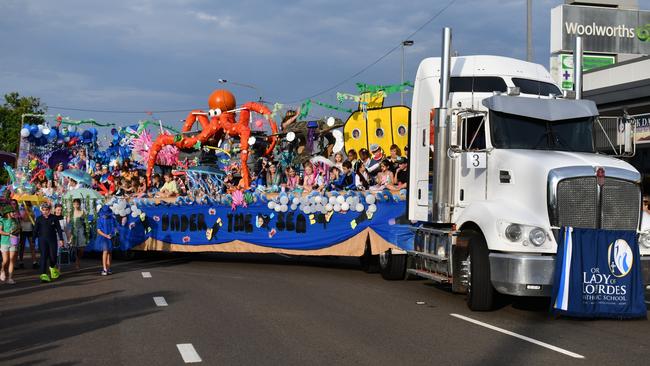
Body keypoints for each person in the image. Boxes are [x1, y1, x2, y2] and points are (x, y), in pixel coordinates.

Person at [33, 203, 64, 283]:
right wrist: (33, 239)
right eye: (43, 210)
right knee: (43, 256)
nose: (45, 212)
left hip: (52, 240)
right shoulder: (39, 219)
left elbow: (59, 229)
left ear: (49, 210)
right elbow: (35, 230)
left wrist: (61, 239)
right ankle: (43, 275)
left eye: (46, 210)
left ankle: (52, 267)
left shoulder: (54, 218)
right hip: (42, 240)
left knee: (53, 256)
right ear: (41, 211)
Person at [96, 205, 118, 276]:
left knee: (110, 252)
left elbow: (115, 227)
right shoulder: (100, 219)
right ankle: (104, 269)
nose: (106, 214)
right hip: (103, 237)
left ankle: (108, 268)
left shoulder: (112, 218)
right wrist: (106, 236)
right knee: (105, 251)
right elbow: (98, 230)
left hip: (111, 237)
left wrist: (114, 233)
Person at [0, 207, 20, 284]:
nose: (14, 213)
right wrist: (9, 233)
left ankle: (10, 278)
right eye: (12, 212)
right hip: (4, 242)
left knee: (12, 260)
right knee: (5, 260)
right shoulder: (2, 220)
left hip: (13, 242)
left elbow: (18, 229)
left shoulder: (15, 220)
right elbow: (0, 231)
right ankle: (2, 270)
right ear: (8, 213)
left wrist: (16, 231)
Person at [18, 202, 38, 269]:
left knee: (32, 246)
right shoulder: (21, 211)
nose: (27, 206)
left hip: (30, 230)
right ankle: (21, 262)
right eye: (26, 205)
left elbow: (32, 220)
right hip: (23, 231)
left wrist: (30, 214)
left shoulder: (32, 212)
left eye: (29, 205)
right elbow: (24, 219)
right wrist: (26, 214)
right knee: (22, 247)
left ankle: (34, 262)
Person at [69, 199, 87, 270]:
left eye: (77, 204)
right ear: (73, 205)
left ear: (79, 204)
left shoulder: (82, 212)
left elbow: (85, 221)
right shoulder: (71, 212)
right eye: (74, 204)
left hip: (81, 230)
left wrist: (84, 216)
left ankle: (78, 260)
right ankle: (77, 263)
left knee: (81, 248)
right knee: (75, 247)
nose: (76, 205)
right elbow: (68, 222)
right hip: (74, 231)